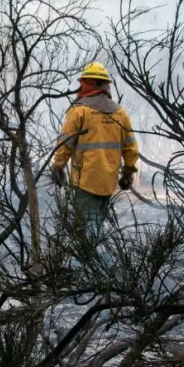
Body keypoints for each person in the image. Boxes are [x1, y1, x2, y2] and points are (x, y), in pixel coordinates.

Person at [51, 62, 140, 237]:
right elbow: (130, 145)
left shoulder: (79, 110)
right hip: (108, 180)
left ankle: (89, 261)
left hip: (85, 179)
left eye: (83, 83)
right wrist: (128, 172)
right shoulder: (119, 112)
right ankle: (95, 259)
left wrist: (58, 166)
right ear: (105, 85)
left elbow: (65, 143)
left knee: (87, 227)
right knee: (96, 222)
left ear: (90, 83)